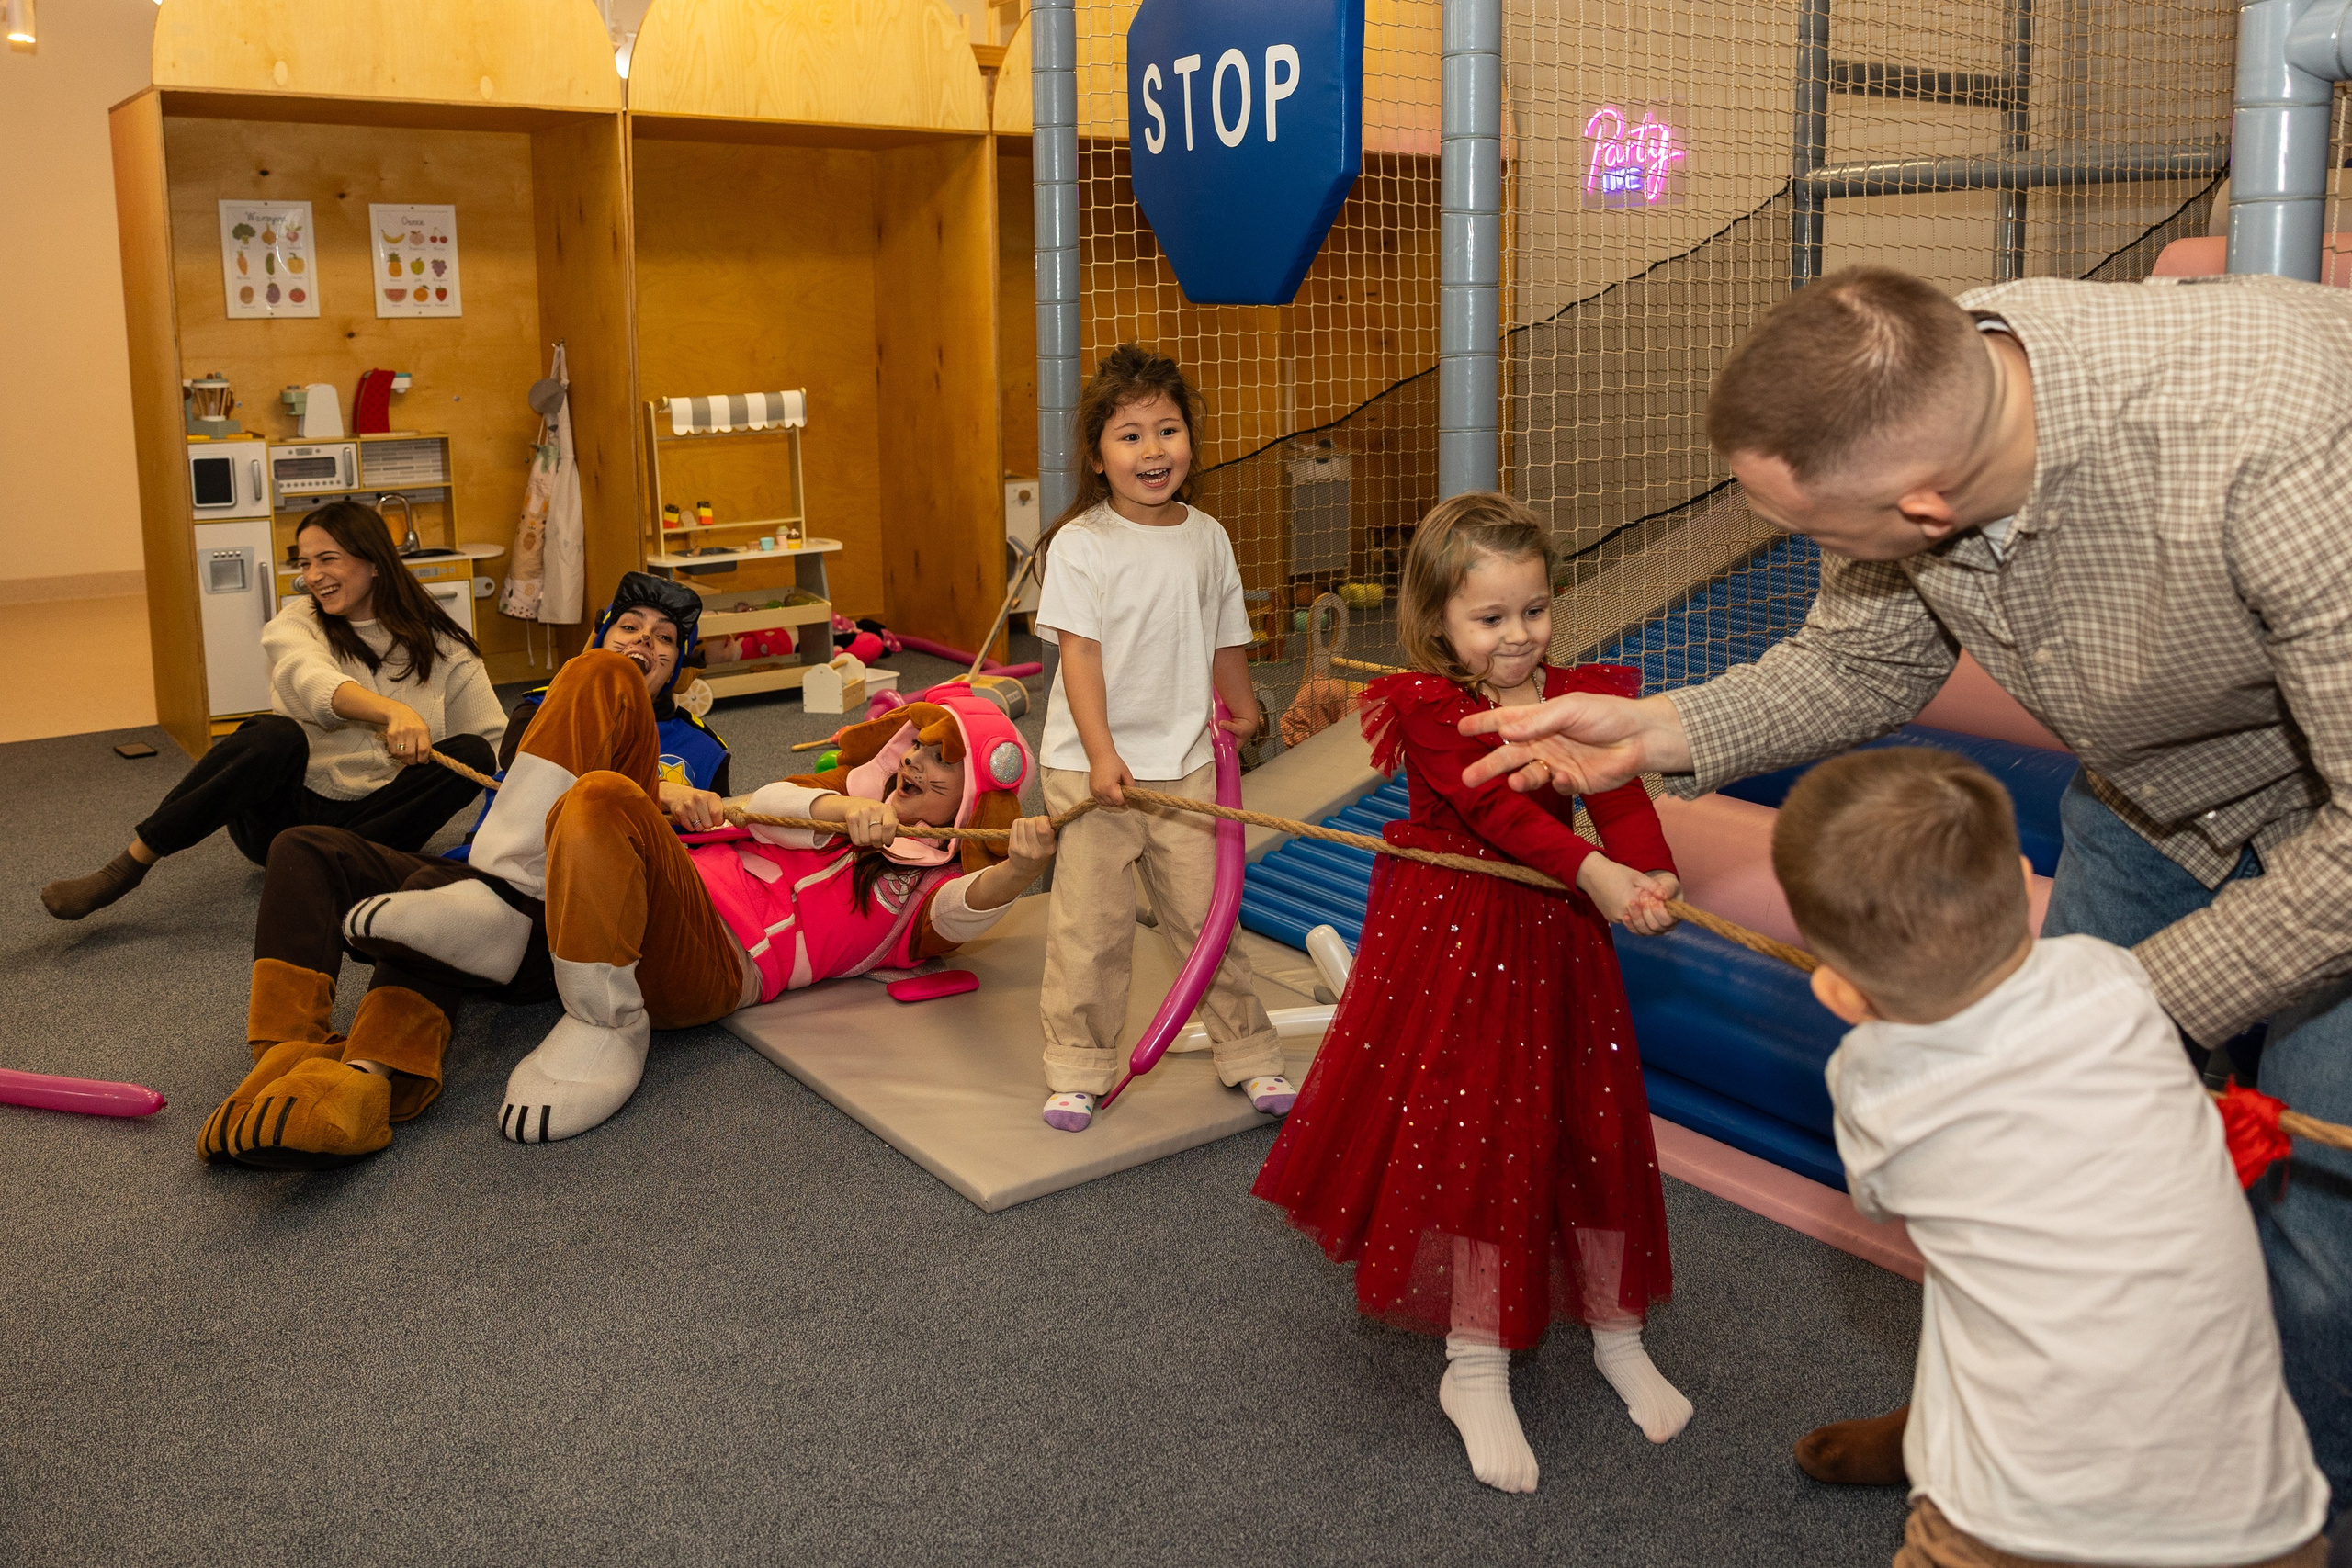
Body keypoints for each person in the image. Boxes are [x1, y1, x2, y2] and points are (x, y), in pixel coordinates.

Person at [1456, 266, 2352, 1501]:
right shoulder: (1924, 375)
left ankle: (2265, 1498)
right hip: (2156, 789)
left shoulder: (2286, 447)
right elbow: (1860, 658)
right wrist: (1652, 732)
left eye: (1820, 532)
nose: (1814, 555)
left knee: (2329, 1221)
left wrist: (2099, 1007)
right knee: (2043, 1143)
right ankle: (1989, 1420)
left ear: (1927, 506)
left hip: (2339, 819)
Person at [1773, 746, 2331, 1567]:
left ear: (1841, 993)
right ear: (2020, 878)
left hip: (2014, 1519)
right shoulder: (2115, 978)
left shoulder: (1873, 1084)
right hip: (2256, 1514)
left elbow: (1881, 1197)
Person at [203, 649, 1058, 1164]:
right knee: (599, 676)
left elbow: (970, 910)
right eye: (917, 746)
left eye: (939, 765)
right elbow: (777, 799)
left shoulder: (926, 895)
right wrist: (843, 810)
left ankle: (605, 1023)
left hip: (710, 960)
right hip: (616, 897)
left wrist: (1016, 872)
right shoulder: (842, 793)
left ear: (972, 797)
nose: (913, 764)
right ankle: (501, 893)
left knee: (606, 799)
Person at [1251, 492, 1690, 1494]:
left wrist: (1647, 869)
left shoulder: (1576, 694)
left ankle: (1617, 1329)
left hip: (1558, 938)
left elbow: (1616, 789)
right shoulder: (1432, 706)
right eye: (1489, 619)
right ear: (1439, 623)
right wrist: (1599, 876)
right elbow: (1502, 815)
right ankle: (1474, 1359)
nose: (1517, 635)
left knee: (1590, 1118)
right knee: (1476, 1132)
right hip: (1461, 940)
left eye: (1532, 610)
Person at [198, 571, 727, 1167]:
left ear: (680, 661)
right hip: (476, 883)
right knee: (303, 848)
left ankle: (369, 1081)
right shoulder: (549, 704)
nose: (643, 643)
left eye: (663, 638)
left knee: (438, 892)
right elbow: (532, 756)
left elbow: (698, 882)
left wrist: (667, 801)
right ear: (598, 638)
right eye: (629, 627)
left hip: (559, 921)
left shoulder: (706, 749)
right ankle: (286, 1058)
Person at [1029, 344, 1289, 1132]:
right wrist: (1104, 752)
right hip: (1091, 767)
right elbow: (1080, 654)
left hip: (1185, 766)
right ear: (1098, 458)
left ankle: (1249, 1052)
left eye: (1167, 430)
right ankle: (1078, 1066)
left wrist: (1241, 709)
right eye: (1130, 435)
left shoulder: (1207, 537)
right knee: (1092, 927)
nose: (1152, 451)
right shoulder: (1082, 544)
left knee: (1209, 917)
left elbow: (1225, 636)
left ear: (1189, 442)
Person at [42, 499, 501, 921]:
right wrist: (391, 712)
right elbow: (312, 681)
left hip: (372, 827)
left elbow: (496, 745)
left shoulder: (445, 645)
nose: (312, 575)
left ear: (375, 562)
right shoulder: (296, 623)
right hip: (283, 822)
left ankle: (341, 865)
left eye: (327, 559)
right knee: (272, 735)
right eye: (305, 563)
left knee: (475, 753)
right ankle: (127, 867)